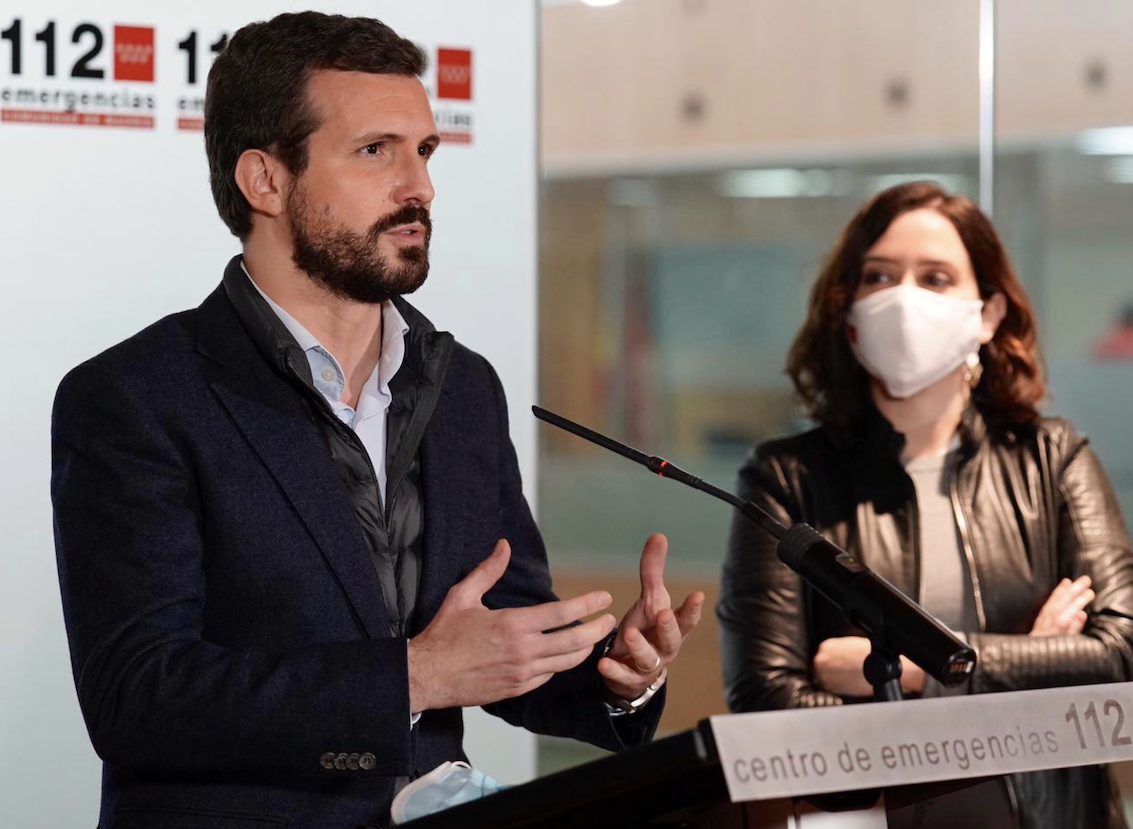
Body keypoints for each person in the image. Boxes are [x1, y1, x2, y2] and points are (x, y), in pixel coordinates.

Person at [51, 13, 702, 829]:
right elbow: (139, 697)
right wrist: (413, 677)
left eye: (424, 151)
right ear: (266, 181)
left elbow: (497, 640)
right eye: (375, 151)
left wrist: (615, 675)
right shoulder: (136, 395)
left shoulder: (464, 386)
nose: (419, 186)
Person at [717, 182, 1133, 828]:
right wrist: (1022, 666)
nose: (903, 298)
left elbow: (1123, 655)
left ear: (988, 313)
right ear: (848, 313)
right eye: (879, 275)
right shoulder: (786, 479)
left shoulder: (1054, 460)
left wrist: (921, 671)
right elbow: (767, 704)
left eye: (936, 277)